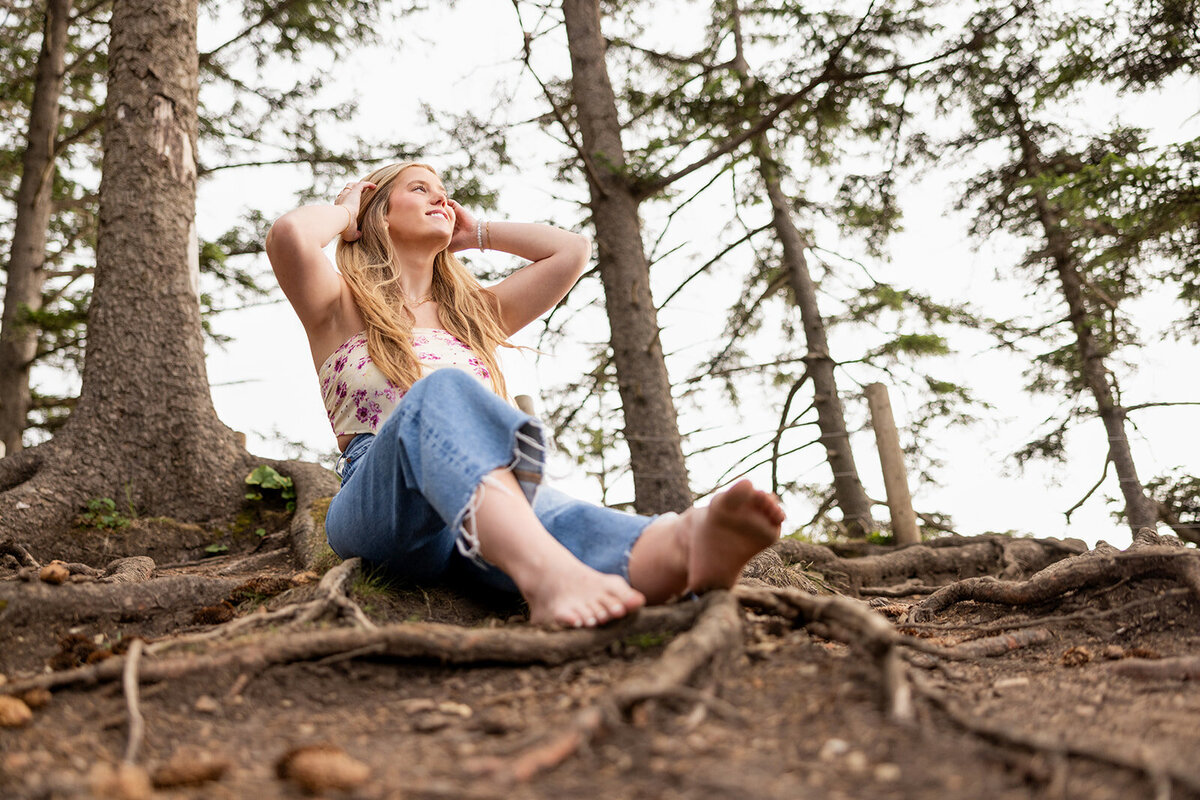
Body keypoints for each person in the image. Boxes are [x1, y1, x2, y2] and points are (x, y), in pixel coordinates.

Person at [265, 161, 786, 629]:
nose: (441, 199)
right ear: (378, 211)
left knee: (558, 515)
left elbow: (572, 250)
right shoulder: (336, 306)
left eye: (444, 192)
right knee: (442, 393)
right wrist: (347, 207)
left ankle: (682, 549)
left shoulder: (472, 317)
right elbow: (290, 234)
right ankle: (549, 578)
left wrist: (477, 233)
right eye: (420, 188)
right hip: (383, 505)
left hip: (484, 509)